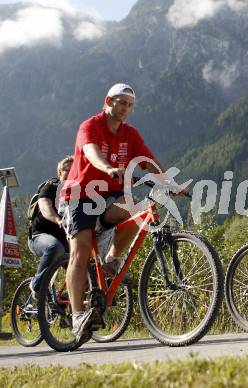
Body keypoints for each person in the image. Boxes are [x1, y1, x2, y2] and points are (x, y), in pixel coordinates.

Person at [60, 83, 182, 340]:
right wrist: (107, 168)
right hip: (80, 195)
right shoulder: (90, 126)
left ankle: (111, 262)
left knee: (138, 213)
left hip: (109, 196)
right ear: (108, 101)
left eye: (130, 105)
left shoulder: (130, 134)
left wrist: (170, 183)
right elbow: (90, 151)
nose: (126, 108)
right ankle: (77, 315)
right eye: (121, 102)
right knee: (80, 252)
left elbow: (148, 161)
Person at [28, 156, 73, 297]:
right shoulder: (50, 187)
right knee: (54, 247)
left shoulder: (80, 194)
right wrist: (58, 220)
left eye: (75, 170)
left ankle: (64, 301)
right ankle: (37, 285)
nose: (71, 173)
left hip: (66, 242)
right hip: (39, 237)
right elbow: (45, 206)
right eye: (67, 170)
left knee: (85, 269)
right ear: (59, 173)